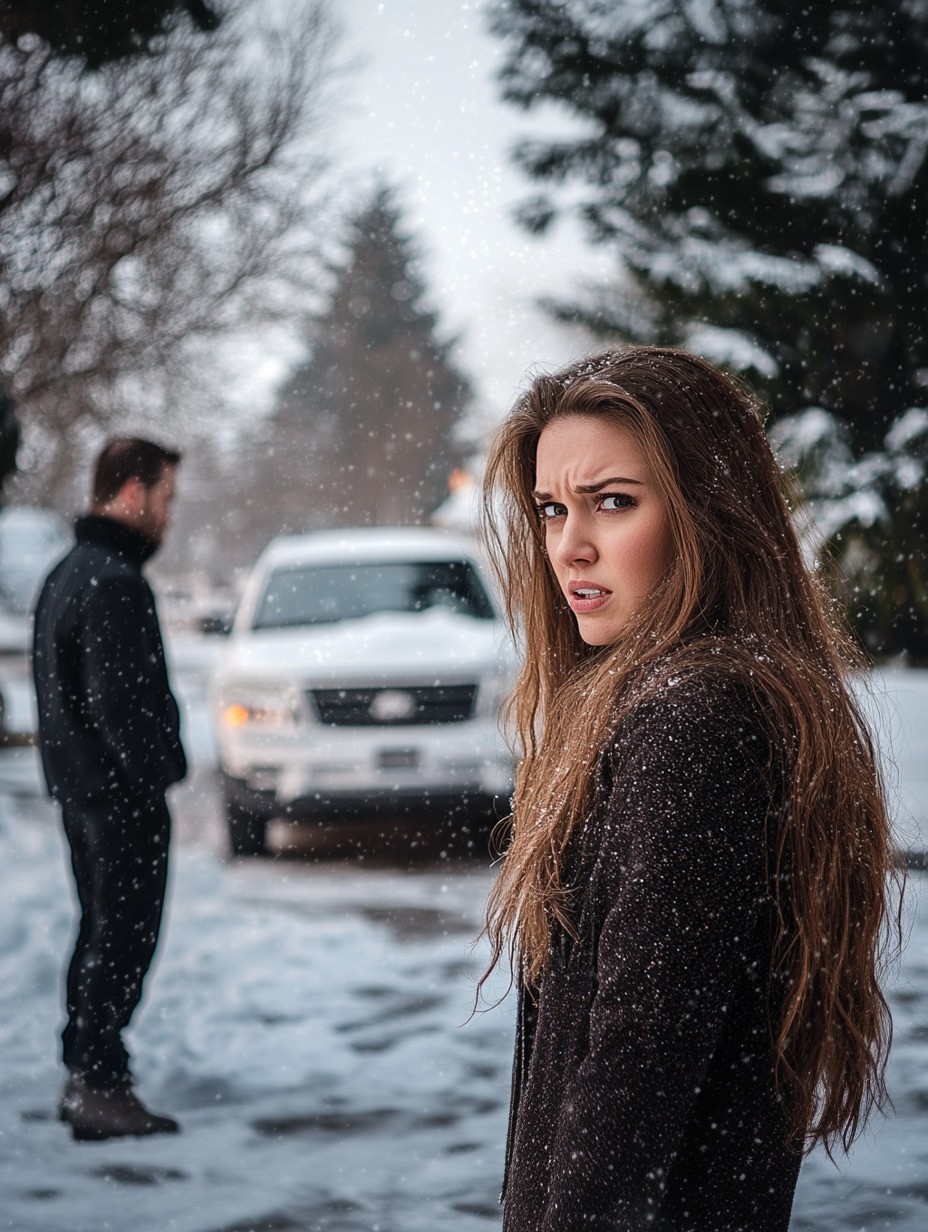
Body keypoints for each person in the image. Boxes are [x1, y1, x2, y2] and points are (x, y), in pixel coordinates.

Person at [479, 348, 899, 1231]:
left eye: (613, 503)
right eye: (553, 509)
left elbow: (636, 1062)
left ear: (711, 512)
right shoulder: (670, 697)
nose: (569, 546)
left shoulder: (694, 721)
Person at [33, 437, 187, 1141]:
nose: (168, 514)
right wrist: (156, 775)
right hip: (118, 800)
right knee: (122, 939)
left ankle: (86, 1071)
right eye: (165, 497)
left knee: (100, 932)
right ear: (132, 492)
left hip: (83, 794)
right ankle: (98, 1082)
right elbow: (119, 704)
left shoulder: (67, 572)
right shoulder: (114, 582)